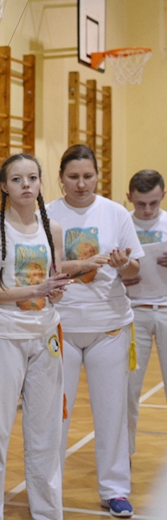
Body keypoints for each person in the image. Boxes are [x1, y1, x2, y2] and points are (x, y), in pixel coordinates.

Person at [47, 144, 143, 518]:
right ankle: (48, 485)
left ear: (97, 177)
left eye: (88, 176)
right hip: (61, 327)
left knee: (112, 411)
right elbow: (44, 268)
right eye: (73, 177)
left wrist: (123, 265)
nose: (81, 183)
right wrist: (82, 263)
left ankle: (115, 489)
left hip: (110, 326)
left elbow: (135, 269)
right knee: (54, 413)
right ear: (61, 179)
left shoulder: (116, 213)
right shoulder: (48, 214)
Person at [0, 154, 69, 520]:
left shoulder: (53, 229)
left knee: (47, 433)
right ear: (4, 186)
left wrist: (54, 290)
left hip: (45, 335)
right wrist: (36, 290)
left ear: (41, 183)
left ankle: (48, 513)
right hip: (4, 336)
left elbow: (53, 282)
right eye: (17, 179)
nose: (26, 185)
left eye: (32, 178)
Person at [122, 170, 167, 457]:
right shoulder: (121, 222)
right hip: (133, 311)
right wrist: (122, 274)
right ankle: (123, 454)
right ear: (129, 198)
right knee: (128, 390)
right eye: (141, 204)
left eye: (153, 203)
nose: (147, 210)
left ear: (163, 195)